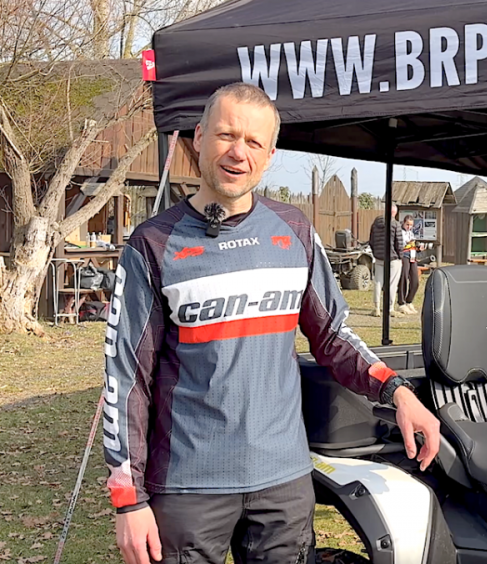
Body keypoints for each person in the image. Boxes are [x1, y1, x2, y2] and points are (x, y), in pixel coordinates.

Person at [103, 82, 440, 564]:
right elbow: (126, 378)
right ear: (198, 137)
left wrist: (398, 392)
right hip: (187, 486)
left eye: (254, 142)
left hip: (282, 483)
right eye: (226, 135)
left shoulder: (294, 230)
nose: (238, 152)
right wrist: (128, 498)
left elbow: (334, 336)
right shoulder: (152, 244)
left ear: (269, 155)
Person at [369, 203, 403, 317]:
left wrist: (375, 252)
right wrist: (401, 256)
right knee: (392, 283)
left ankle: (376, 307)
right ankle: (389, 308)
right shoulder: (395, 224)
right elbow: (399, 243)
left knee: (378, 282)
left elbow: (371, 240)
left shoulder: (376, 223)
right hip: (393, 258)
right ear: (394, 213)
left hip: (379, 257)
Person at [397, 215, 422, 314]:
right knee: (403, 278)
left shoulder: (411, 233)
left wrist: (418, 248)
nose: (409, 227)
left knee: (415, 280)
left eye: (411, 225)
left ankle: (409, 301)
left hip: (412, 256)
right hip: (404, 255)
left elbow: (413, 244)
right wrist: (407, 244)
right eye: (407, 224)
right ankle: (401, 303)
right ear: (403, 223)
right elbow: (399, 244)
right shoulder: (400, 232)